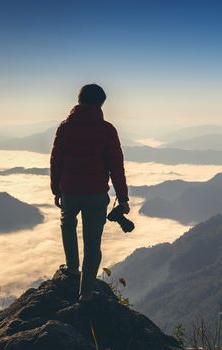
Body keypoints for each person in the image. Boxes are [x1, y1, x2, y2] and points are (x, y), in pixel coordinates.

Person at [50, 84, 129, 303]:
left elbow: (56, 160)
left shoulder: (65, 128)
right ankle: (85, 294)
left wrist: (56, 189)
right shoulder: (107, 130)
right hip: (95, 194)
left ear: (79, 100)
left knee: (67, 225)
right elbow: (116, 167)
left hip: (69, 190)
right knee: (93, 242)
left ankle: (72, 269)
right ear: (101, 103)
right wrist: (122, 198)